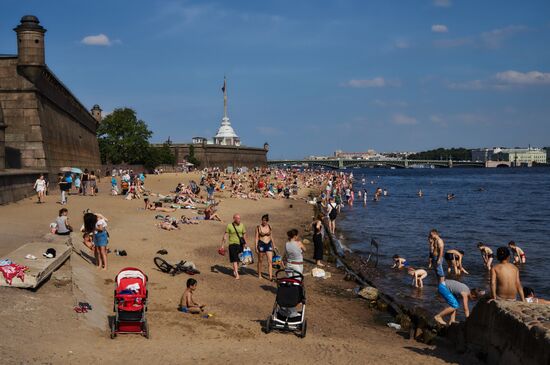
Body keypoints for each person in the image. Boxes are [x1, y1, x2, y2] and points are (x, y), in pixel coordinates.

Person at [220, 214, 247, 279]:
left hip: (240, 244)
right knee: (234, 259)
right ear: (234, 219)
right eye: (237, 218)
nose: (239, 220)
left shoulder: (242, 225)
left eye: (239, 218)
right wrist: (222, 246)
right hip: (232, 244)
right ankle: (237, 274)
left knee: (238, 259)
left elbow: (244, 235)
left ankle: (235, 270)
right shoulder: (229, 226)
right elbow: (225, 236)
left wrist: (245, 244)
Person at [255, 214, 276, 280]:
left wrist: (274, 245)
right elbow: (256, 238)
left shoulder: (269, 226)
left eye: (265, 220)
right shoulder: (258, 227)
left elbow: (271, 237)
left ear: (267, 221)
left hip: (268, 244)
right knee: (260, 260)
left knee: (270, 261)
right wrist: (256, 247)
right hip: (261, 244)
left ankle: (270, 276)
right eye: (262, 220)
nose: (263, 222)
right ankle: (259, 274)